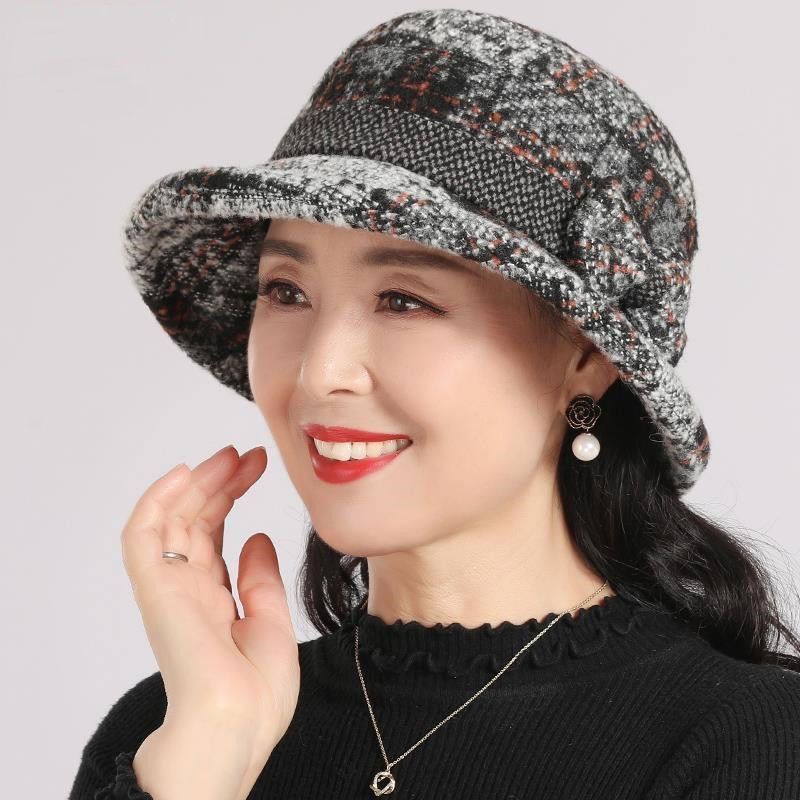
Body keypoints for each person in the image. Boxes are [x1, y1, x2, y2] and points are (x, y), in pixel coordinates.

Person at [69, 8, 800, 800]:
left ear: (586, 358)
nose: (319, 372)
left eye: (404, 300)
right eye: (285, 291)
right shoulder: (176, 729)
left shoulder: (749, 742)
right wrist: (202, 761)